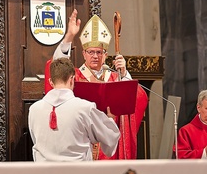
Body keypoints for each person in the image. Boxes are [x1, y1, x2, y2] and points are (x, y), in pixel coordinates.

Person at [45, 9, 148, 160]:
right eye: (91, 52)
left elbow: (137, 98)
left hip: (108, 146)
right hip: (81, 142)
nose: (95, 56)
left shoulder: (115, 77)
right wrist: (69, 37)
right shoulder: (74, 77)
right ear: (83, 54)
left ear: (106, 55)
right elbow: (55, 67)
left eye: (99, 52)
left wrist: (124, 73)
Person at [28, 58, 120, 161]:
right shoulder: (85, 108)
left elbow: (36, 141)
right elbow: (109, 136)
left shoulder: (34, 109)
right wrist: (110, 120)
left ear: (51, 82)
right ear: (72, 79)